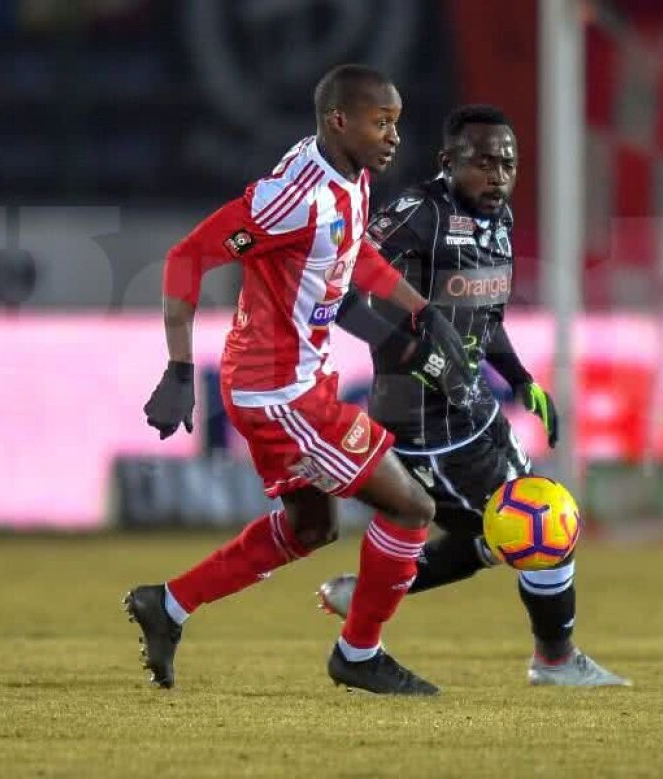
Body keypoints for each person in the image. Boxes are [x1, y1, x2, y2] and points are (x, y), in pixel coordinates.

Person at [125, 64, 476, 696]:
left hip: (297, 381)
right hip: (279, 393)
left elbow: (351, 253)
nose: (394, 136)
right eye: (381, 122)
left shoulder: (352, 177)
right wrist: (179, 367)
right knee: (412, 508)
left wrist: (421, 311)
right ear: (339, 120)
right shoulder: (290, 198)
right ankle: (359, 654)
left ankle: (168, 604)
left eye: (396, 122)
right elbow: (188, 256)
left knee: (312, 527)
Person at [317, 105, 630, 687]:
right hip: (427, 426)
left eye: (507, 164)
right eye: (483, 162)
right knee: (541, 524)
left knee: (502, 533)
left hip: (477, 412)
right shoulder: (417, 215)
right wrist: (407, 349)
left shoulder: (497, 217)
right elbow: (337, 291)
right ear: (447, 161)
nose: (497, 175)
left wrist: (519, 379)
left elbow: (484, 318)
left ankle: (371, 592)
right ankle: (555, 660)